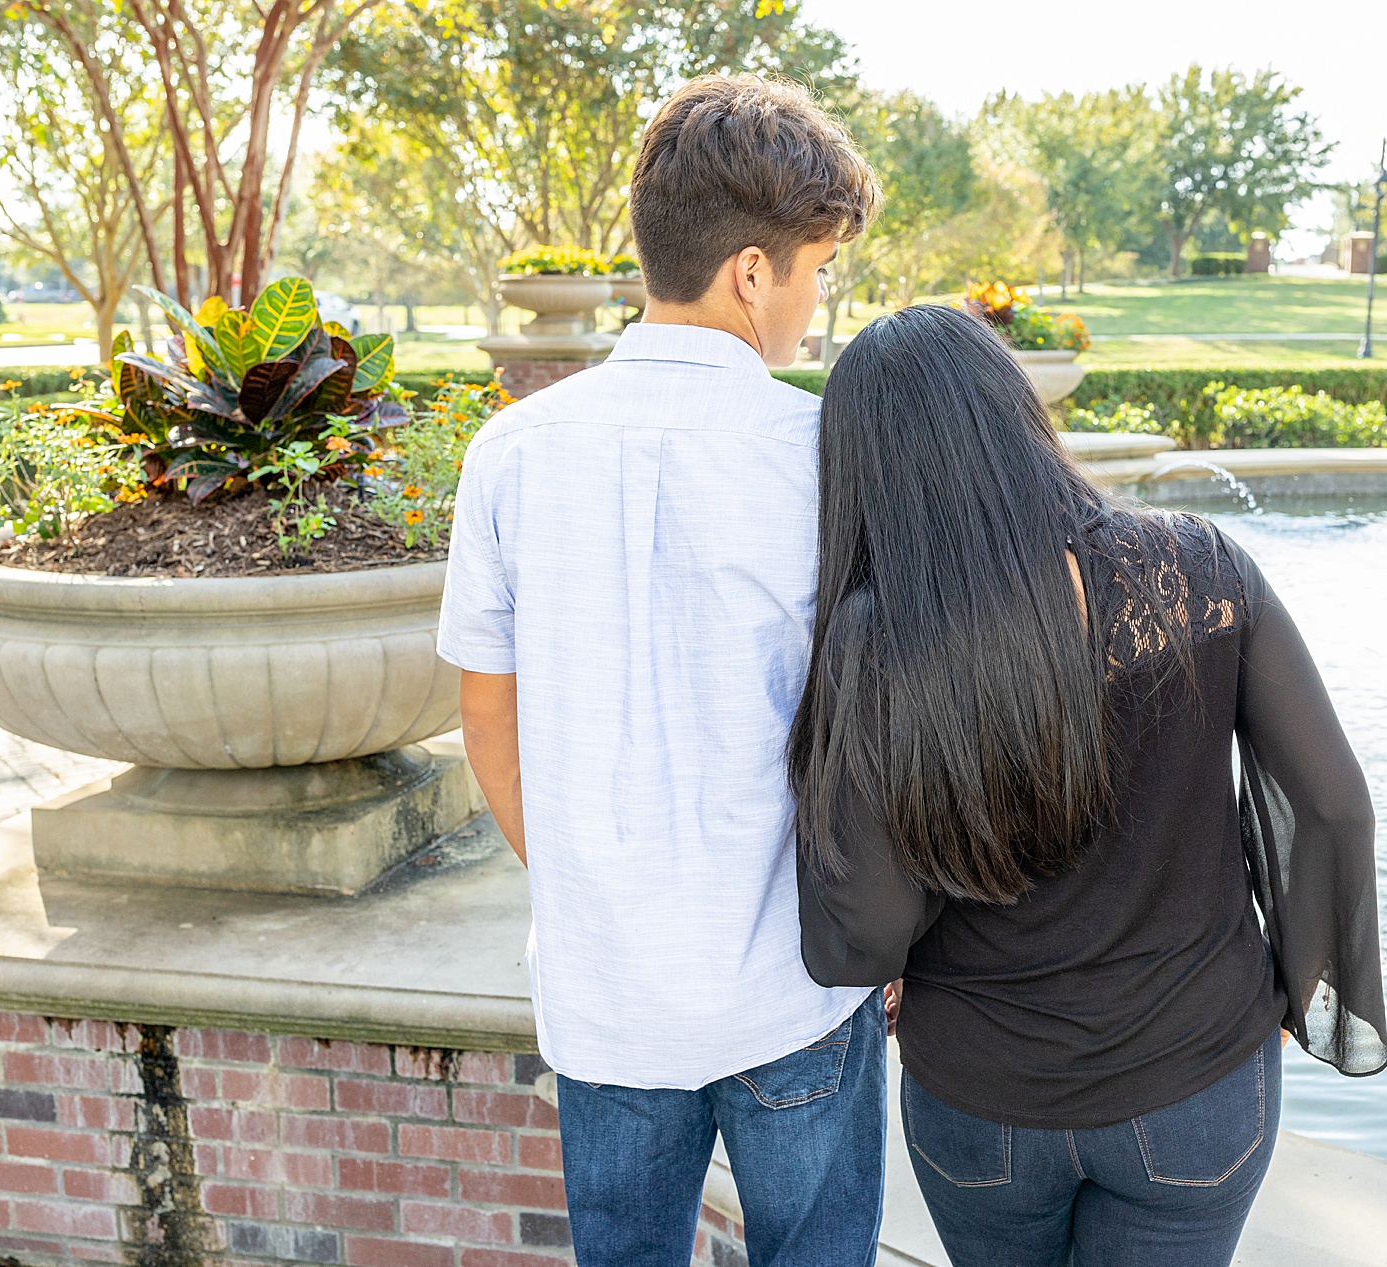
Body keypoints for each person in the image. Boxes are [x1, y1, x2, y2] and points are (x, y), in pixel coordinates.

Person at [791, 304, 1387, 1267]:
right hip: (1197, 1075)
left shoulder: (880, 634)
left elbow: (864, 929)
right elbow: (1331, 802)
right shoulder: (1201, 569)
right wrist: (1298, 985)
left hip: (984, 1102)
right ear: (1017, 414)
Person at [439, 75, 886, 1267]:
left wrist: (586, 874)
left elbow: (486, 712)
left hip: (605, 999)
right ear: (752, 271)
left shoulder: (508, 452)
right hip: (798, 990)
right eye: (816, 270)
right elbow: (880, 725)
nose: (812, 304)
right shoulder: (821, 449)